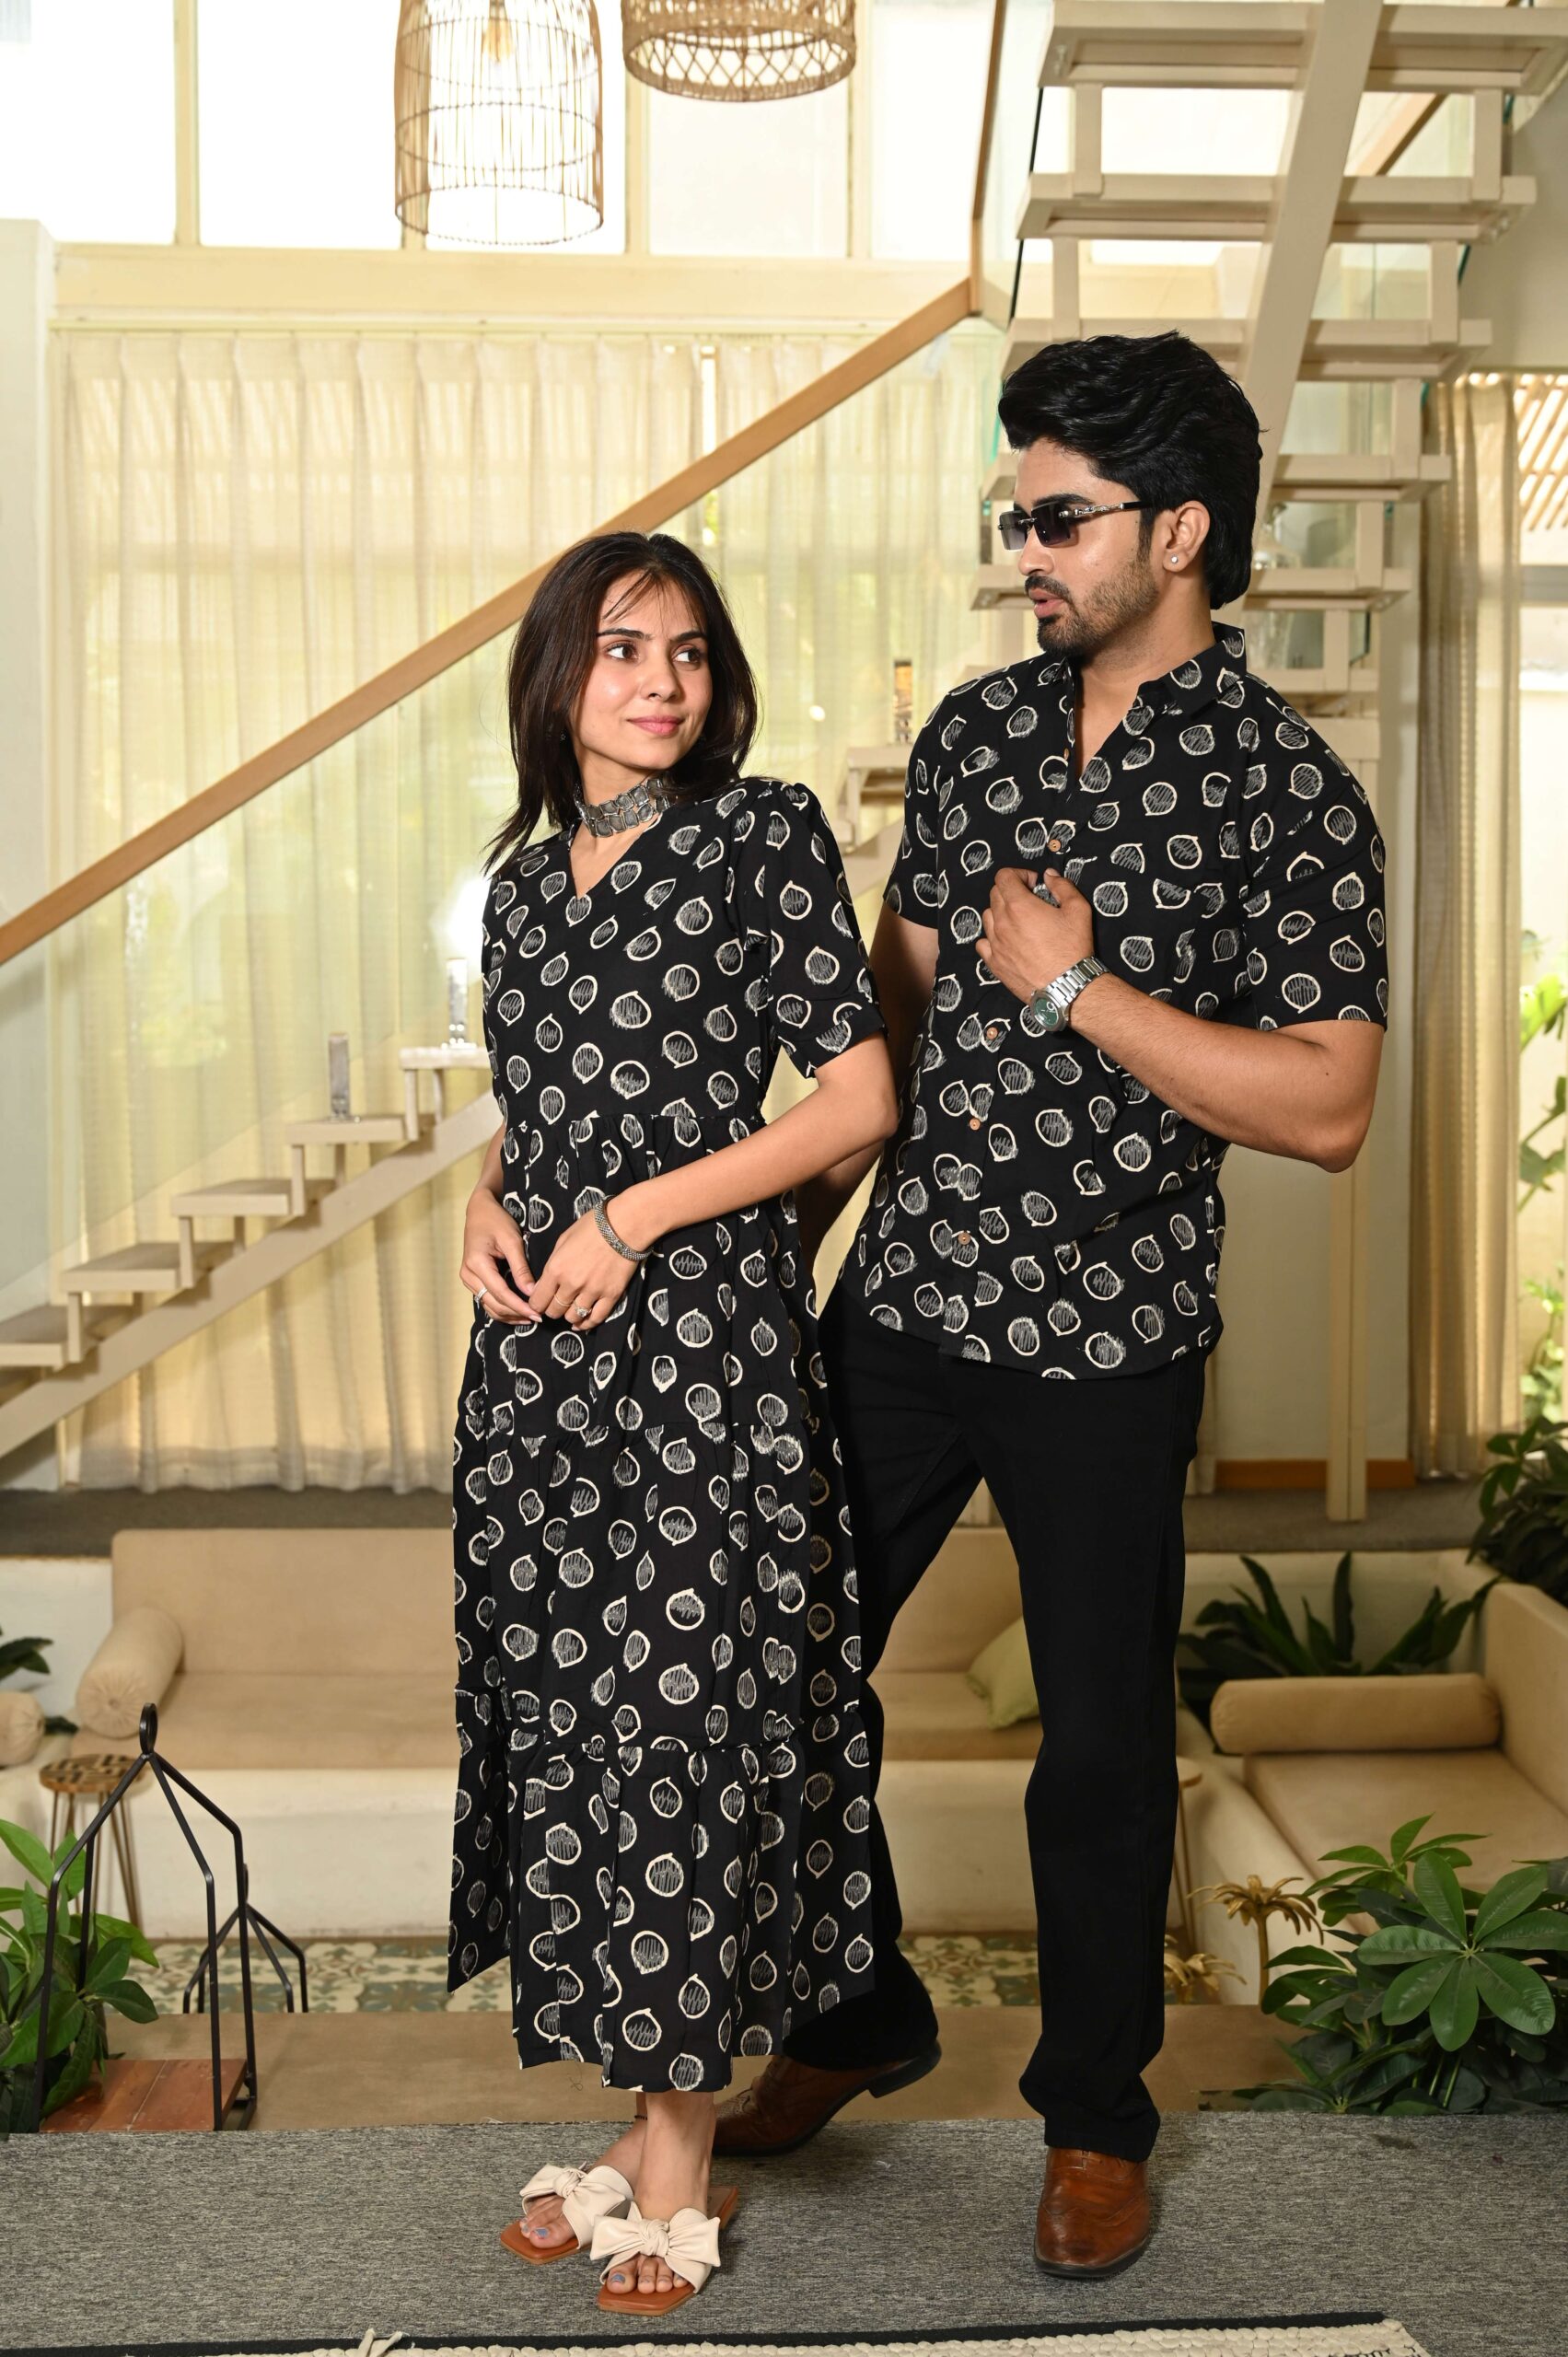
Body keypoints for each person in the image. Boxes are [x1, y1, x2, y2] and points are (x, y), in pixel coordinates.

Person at [713, 330, 1388, 2277]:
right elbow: (892, 1019)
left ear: (1180, 530)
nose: (1027, 550)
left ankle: (1095, 2120)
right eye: (1019, 516)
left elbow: (1328, 1106)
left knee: (1095, 1752)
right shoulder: (978, 736)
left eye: (1061, 518)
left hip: (1112, 1338)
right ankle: (854, 2010)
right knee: (771, 1662)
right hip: (907, 1300)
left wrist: (1083, 990)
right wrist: (762, 1242)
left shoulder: (1291, 793)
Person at [447, 530, 899, 2316]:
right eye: (625, 646)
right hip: (541, 1367)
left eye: (691, 650)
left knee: (685, 1733)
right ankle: (644, 2140)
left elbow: (855, 1101)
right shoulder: (516, 886)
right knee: (576, 1729)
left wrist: (635, 1219)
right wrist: (483, 1200)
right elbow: (545, 1100)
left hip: (706, 1358)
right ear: (558, 672)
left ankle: (680, 2160)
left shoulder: (761, 834)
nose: (663, 680)